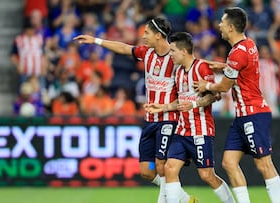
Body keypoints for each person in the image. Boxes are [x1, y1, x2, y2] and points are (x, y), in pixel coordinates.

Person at [73, 17, 196, 203]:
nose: (143, 36)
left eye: (147, 32)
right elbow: (124, 48)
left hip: (168, 117)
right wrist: (96, 40)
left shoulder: (175, 57)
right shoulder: (146, 53)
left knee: (162, 165)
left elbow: (196, 63)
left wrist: (219, 68)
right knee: (146, 172)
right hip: (149, 119)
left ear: (158, 35)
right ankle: (183, 199)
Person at [193, 7, 280, 203]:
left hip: (253, 113)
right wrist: (224, 67)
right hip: (243, 115)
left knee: (263, 164)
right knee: (228, 162)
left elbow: (225, 86)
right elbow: (242, 70)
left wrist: (205, 85)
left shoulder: (237, 54)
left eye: (222, 23)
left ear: (231, 27)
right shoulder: (248, 44)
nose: (219, 25)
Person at [146, 32, 235, 203]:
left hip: (200, 130)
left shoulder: (201, 67)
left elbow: (214, 96)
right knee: (170, 169)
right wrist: (163, 107)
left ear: (184, 51)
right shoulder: (178, 72)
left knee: (207, 175)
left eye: (173, 51)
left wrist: (194, 105)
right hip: (182, 130)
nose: (170, 54)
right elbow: (182, 100)